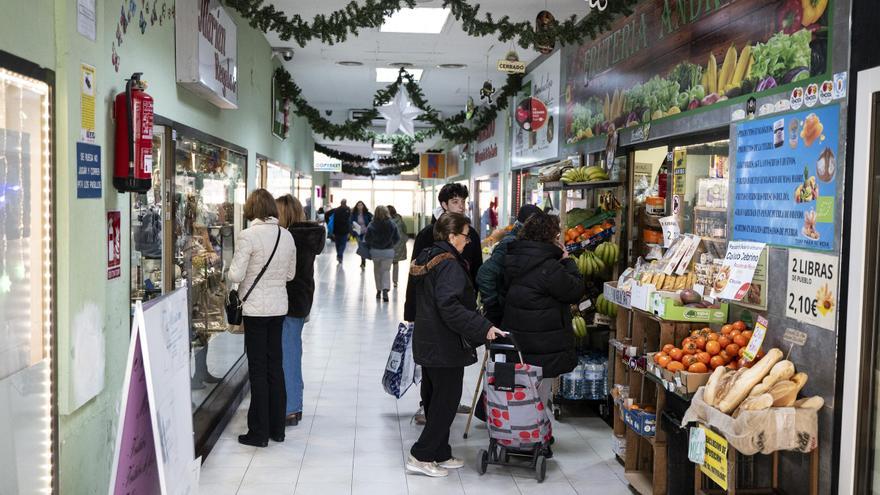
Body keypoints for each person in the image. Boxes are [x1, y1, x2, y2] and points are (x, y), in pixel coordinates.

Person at [406, 212, 507, 477]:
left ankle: (440, 452)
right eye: (465, 235)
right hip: (444, 342)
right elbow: (449, 306)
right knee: (446, 401)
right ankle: (421, 454)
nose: (469, 241)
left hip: (429, 339)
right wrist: (484, 328)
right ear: (451, 236)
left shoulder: (428, 255)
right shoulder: (449, 264)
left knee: (433, 396)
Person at [404, 183, 484, 424]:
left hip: (459, 307)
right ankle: (428, 407)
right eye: (456, 202)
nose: (461, 206)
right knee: (432, 363)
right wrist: (412, 310)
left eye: (463, 201)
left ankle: (444, 406)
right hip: (431, 309)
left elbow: (477, 270)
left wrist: (475, 302)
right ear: (444, 205)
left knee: (451, 361)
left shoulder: (471, 234)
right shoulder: (427, 234)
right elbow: (414, 273)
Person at [501, 212, 584, 443]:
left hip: (517, 335)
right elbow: (574, 290)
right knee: (539, 393)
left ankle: (515, 433)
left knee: (519, 390)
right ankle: (534, 438)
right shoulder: (550, 266)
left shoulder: (513, 258)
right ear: (551, 236)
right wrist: (568, 260)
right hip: (544, 341)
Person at [227, 189, 297, 447]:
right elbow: (290, 275)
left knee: (257, 370)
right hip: (278, 309)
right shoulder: (286, 236)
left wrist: (227, 267)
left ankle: (258, 431)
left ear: (251, 209)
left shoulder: (248, 236)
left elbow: (236, 275)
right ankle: (277, 429)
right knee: (274, 367)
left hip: (255, 311)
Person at [275, 194, 325, 427]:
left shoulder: (291, 238)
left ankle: (290, 407)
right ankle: (293, 401)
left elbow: (285, 273)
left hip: (289, 300)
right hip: (301, 299)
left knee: (288, 354)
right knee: (292, 349)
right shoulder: (307, 236)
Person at [476, 204, 542, 326]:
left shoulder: (524, 240)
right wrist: (494, 304)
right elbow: (484, 274)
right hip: (504, 312)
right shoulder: (510, 243)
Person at [364, 206, 399, 302]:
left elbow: (367, 239)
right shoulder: (392, 224)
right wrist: (391, 244)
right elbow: (397, 238)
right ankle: (385, 290)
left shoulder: (372, 224)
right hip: (388, 251)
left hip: (375, 251)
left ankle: (378, 290)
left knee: (377, 271)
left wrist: (372, 244)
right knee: (386, 271)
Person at [388, 205, 408, 288]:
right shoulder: (399, 218)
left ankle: (386, 281)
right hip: (399, 243)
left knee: (386, 264)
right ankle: (395, 282)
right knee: (395, 263)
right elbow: (405, 229)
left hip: (389, 244)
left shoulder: (386, 221)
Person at [352, 201, 373, 269]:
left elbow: (373, 221)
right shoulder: (354, 214)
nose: (360, 206)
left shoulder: (367, 214)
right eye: (358, 205)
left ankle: (364, 261)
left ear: (363, 206)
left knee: (364, 247)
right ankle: (363, 262)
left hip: (366, 233)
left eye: (361, 205)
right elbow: (350, 223)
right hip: (358, 233)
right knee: (361, 247)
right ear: (356, 206)